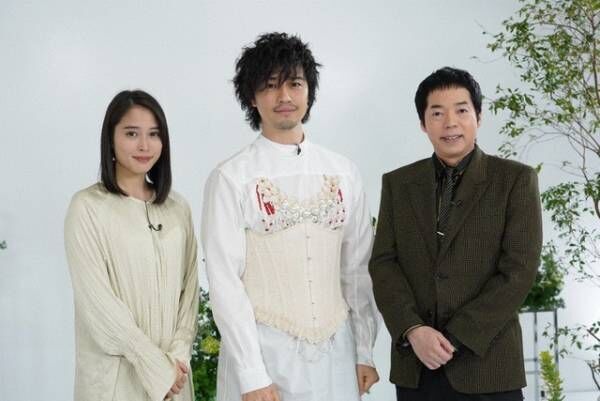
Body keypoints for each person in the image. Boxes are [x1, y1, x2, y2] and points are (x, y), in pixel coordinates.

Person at [201, 32, 380, 401]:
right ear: (252, 97)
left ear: (309, 91)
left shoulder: (343, 172)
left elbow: (357, 269)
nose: (284, 96)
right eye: (270, 85)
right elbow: (224, 281)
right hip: (265, 358)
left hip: (338, 356)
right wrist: (251, 374)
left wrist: (364, 350)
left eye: (294, 84)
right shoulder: (232, 177)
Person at [369, 67, 543, 401]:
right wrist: (413, 330)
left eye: (461, 110)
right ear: (423, 123)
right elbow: (384, 264)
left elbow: (518, 271)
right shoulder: (398, 184)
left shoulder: (515, 180)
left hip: (488, 365)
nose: (450, 123)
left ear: (479, 116)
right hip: (417, 367)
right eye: (437, 113)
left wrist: (455, 337)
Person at [64, 90, 199, 401]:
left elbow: (189, 290)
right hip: (115, 383)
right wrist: (156, 368)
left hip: (175, 382)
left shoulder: (178, 208)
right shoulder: (87, 208)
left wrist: (177, 358)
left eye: (154, 134)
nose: (144, 145)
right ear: (110, 139)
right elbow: (97, 305)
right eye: (131, 133)